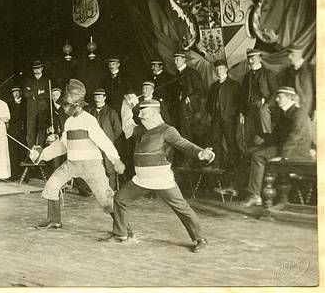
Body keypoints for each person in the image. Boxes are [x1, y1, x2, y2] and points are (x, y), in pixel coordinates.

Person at [101, 99, 214, 253]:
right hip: (141, 180)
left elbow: (183, 143)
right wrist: (126, 105)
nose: (139, 115)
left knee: (182, 208)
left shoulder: (167, 130)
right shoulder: (141, 131)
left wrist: (201, 153)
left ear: (155, 113)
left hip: (161, 180)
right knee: (120, 199)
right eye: (139, 112)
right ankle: (121, 234)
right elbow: (127, 126)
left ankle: (201, 239)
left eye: (143, 112)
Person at [29, 79, 126, 230]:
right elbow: (63, 145)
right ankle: (54, 220)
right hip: (71, 164)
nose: (64, 108)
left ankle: (124, 230)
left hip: (91, 165)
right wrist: (42, 154)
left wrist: (116, 160)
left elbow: (104, 141)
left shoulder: (89, 120)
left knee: (106, 199)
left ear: (77, 104)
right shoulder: (69, 122)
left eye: (66, 105)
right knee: (51, 186)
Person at [239, 86, 312, 207]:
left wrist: (283, 156)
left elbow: (295, 136)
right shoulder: (286, 112)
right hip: (286, 147)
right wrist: (263, 139)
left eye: (279, 97)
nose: (277, 100)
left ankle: (255, 195)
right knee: (249, 151)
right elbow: (277, 135)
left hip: (296, 150)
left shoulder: (299, 113)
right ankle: (245, 189)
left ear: (289, 98)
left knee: (258, 156)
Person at [206, 60, 241, 193]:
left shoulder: (234, 85)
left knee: (231, 144)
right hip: (216, 119)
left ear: (226, 70)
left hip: (229, 119)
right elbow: (209, 103)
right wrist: (212, 113)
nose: (219, 71)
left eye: (221, 69)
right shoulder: (214, 86)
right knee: (215, 142)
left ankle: (233, 169)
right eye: (217, 69)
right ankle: (217, 166)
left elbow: (239, 102)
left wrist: (233, 113)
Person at [239, 49, 278, 146]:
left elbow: (275, 93)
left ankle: (268, 145)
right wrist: (241, 112)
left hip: (263, 105)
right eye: (249, 59)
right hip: (249, 107)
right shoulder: (247, 76)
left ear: (260, 58)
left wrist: (267, 105)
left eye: (253, 58)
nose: (250, 61)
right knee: (250, 135)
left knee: (265, 133)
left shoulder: (268, 73)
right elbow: (242, 96)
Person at [88, 88, 123, 190]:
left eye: (99, 97)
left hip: (107, 146)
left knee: (109, 168)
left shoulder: (111, 112)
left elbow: (118, 129)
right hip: (94, 145)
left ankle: (111, 190)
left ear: (104, 98)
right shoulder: (91, 112)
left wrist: (109, 140)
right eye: (95, 97)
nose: (97, 99)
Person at [172, 51, 205, 144]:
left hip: (190, 109)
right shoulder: (177, 74)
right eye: (174, 60)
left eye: (177, 59)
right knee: (181, 133)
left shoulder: (192, 73)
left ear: (184, 60)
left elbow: (201, 91)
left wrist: (189, 98)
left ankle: (190, 153)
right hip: (180, 108)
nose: (175, 62)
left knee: (187, 134)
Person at [280, 44, 314, 117]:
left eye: (292, 54)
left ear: (299, 54)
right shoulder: (288, 71)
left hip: (307, 108)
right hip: (291, 107)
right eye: (288, 54)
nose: (289, 57)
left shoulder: (310, 69)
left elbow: (318, 91)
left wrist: (315, 110)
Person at [24, 60, 50, 148]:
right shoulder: (29, 80)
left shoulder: (47, 80)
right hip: (31, 109)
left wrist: (33, 94)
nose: (36, 70)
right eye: (34, 68)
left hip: (43, 108)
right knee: (31, 131)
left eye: (38, 68)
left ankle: (40, 152)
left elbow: (48, 94)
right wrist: (38, 92)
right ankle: (31, 152)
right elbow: (26, 93)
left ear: (42, 68)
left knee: (42, 130)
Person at [7, 86, 26, 179]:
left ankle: (23, 175)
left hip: (22, 130)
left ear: (20, 93)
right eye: (14, 92)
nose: (16, 94)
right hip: (12, 131)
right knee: (13, 152)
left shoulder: (25, 103)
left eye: (18, 92)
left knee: (22, 151)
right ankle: (14, 175)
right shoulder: (9, 104)